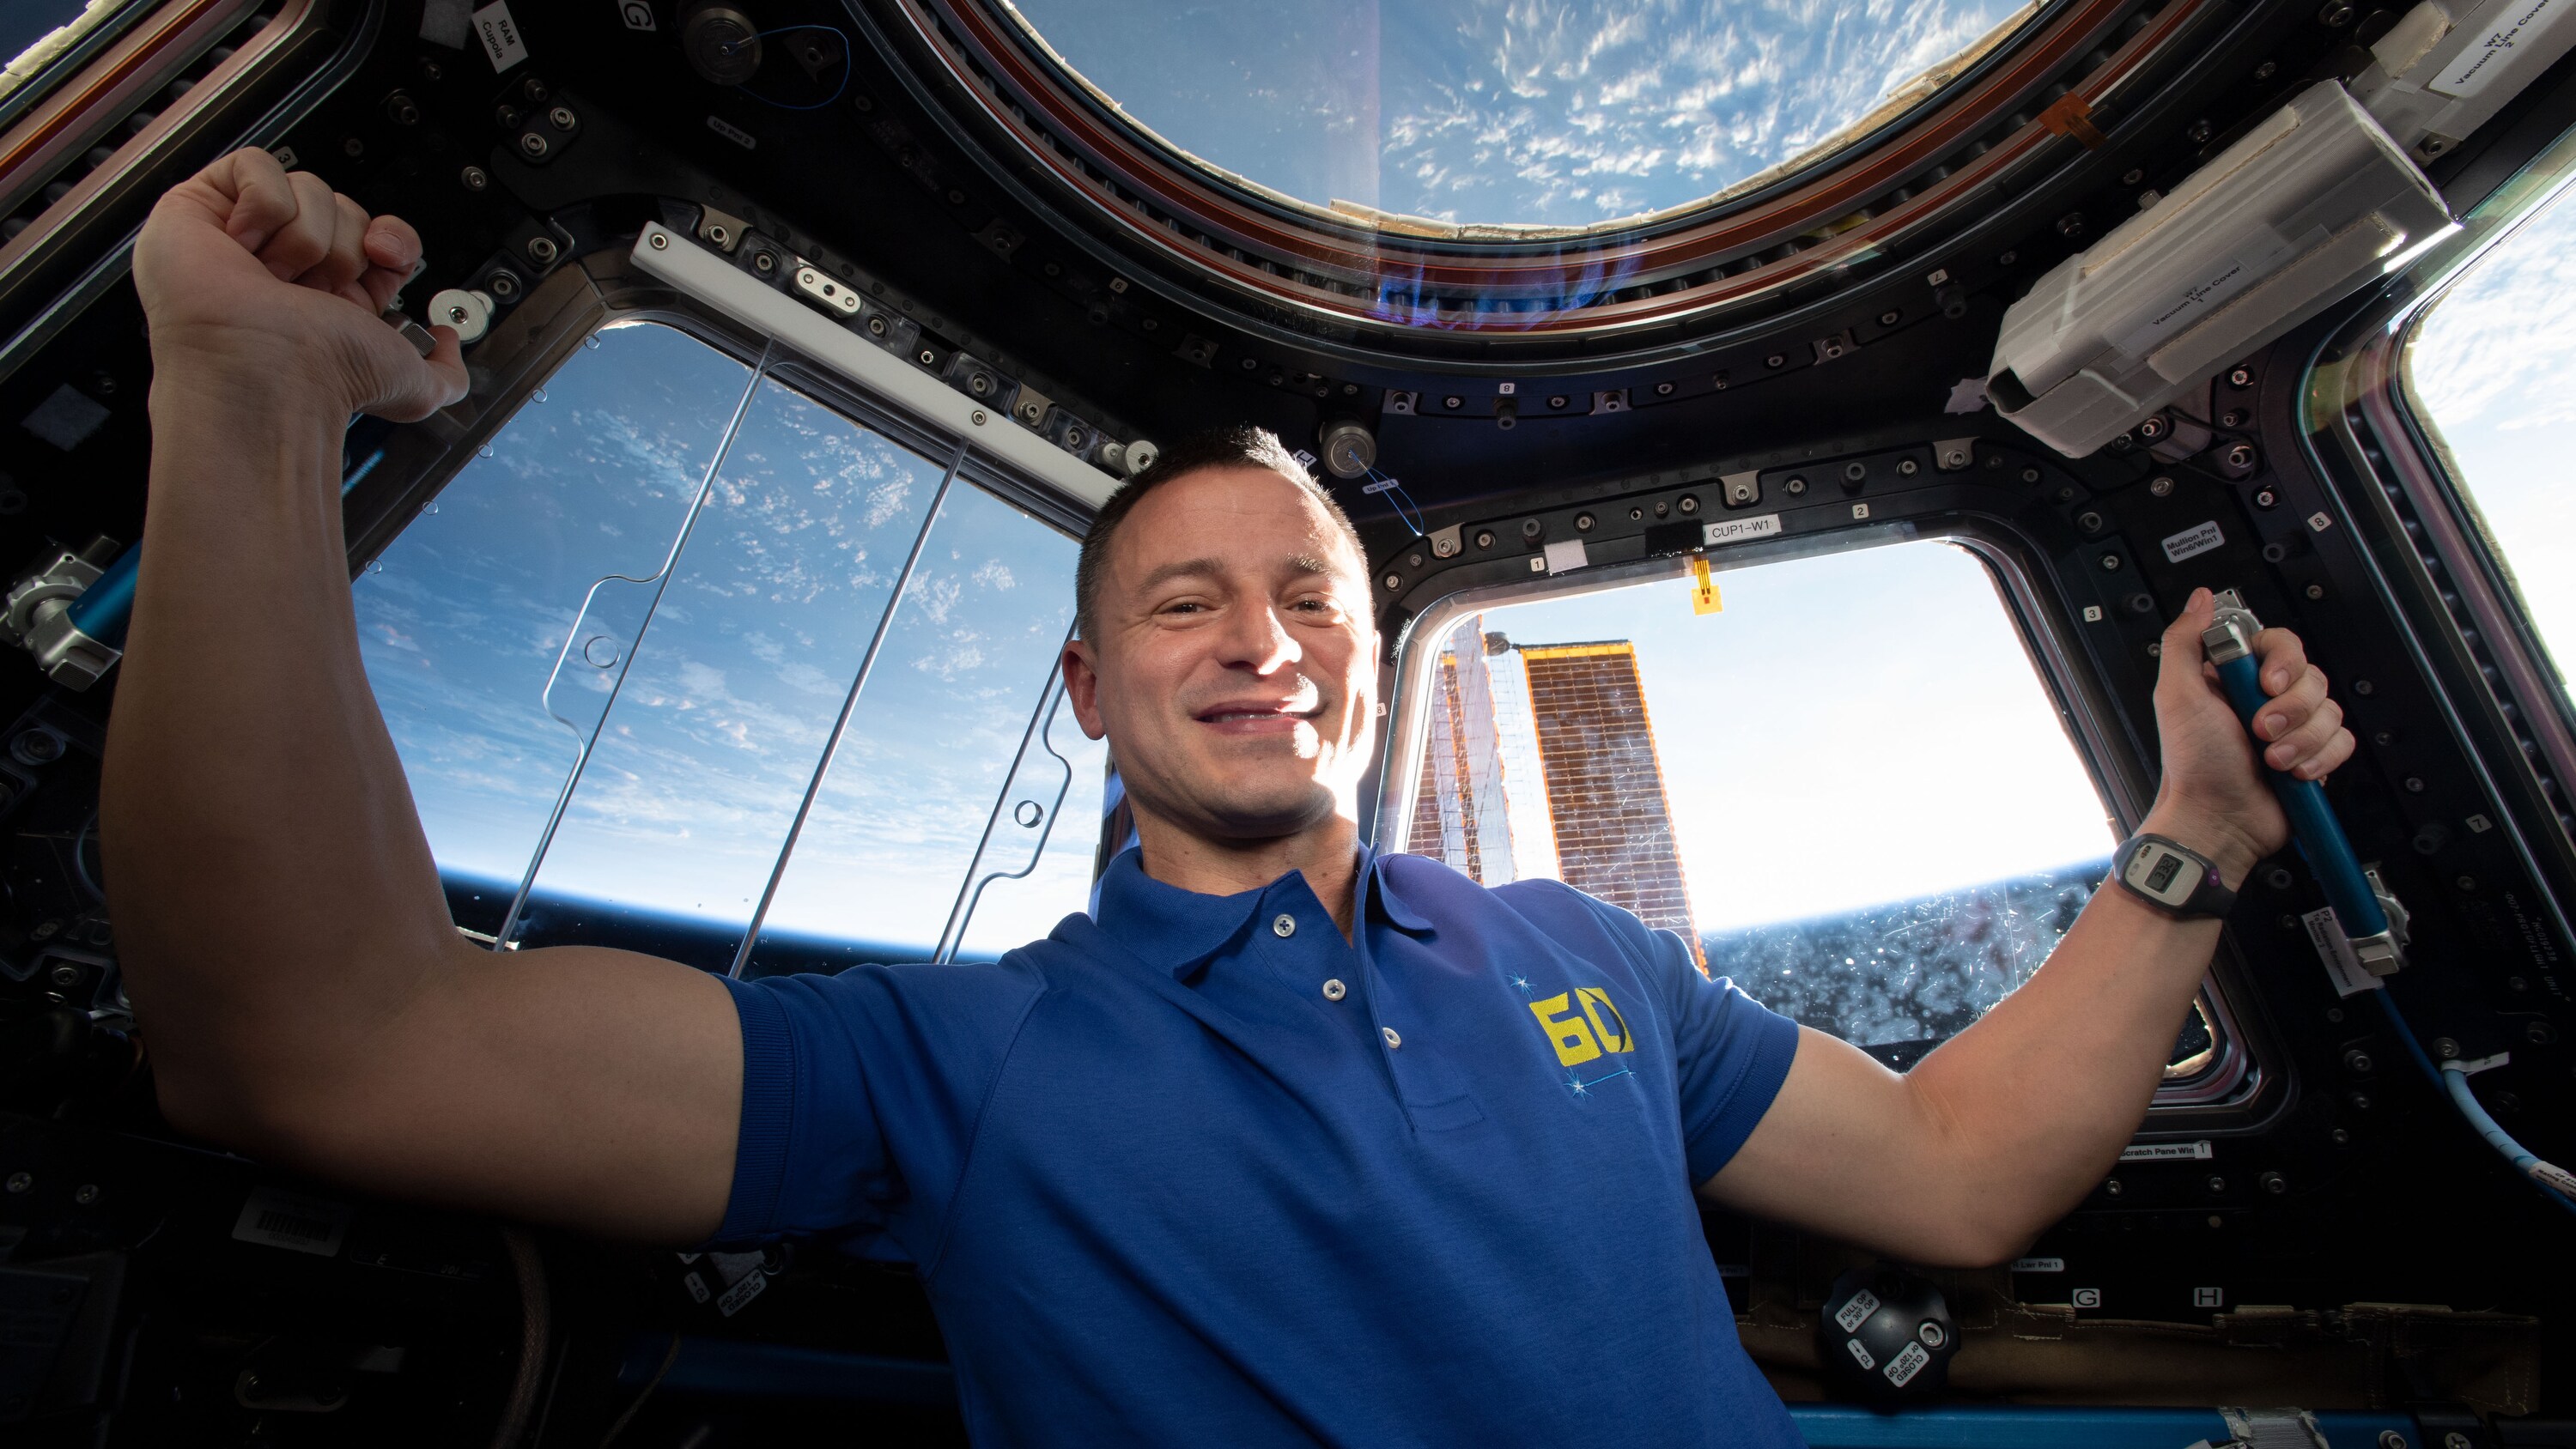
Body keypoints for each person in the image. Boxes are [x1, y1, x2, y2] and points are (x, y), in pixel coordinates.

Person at [111, 150, 2353, 1446]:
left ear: (1366, 675)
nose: (1259, 634)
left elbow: (1960, 1179)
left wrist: (2194, 841)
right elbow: (321, 1047)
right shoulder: (952, 1061)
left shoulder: (1594, 962)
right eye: (1185, 603)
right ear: (1091, 689)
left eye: (1306, 595)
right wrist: (248, 392)